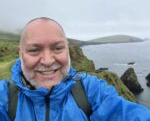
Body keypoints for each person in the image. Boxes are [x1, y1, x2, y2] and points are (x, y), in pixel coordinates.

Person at [0, 17, 150, 121]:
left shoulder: (91, 90)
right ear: (20, 54)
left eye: (57, 48)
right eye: (34, 50)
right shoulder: (5, 98)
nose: (47, 61)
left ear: (68, 51)